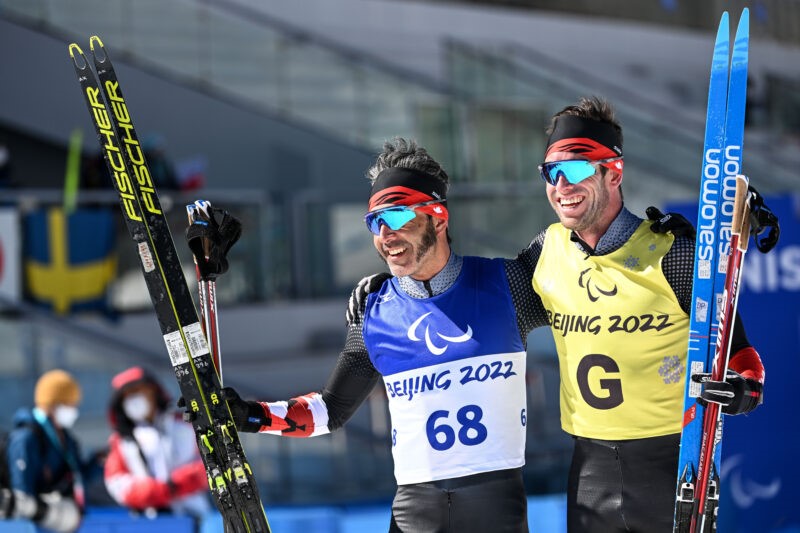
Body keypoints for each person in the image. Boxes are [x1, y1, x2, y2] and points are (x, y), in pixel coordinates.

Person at [217, 137, 550, 532]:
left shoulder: (507, 284)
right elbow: (330, 410)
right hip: (415, 511)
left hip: (493, 506)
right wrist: (251, 415)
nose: (385, 235)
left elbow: (575, 245)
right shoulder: (375, 313)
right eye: (376, 222)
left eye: (398, 217)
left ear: (439, 218)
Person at [528, 96, 765, 532]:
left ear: (613, 172)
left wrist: (745, 390)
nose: (561, 184)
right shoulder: (547, 253)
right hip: (589, 474)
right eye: (551, 171)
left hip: (670, 468)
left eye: (577, 168)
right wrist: (403, 282)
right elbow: (482, 299)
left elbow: (739, 350)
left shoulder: (671, 254)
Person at [104, 366, 210, 520]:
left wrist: (177, 485)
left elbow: (209, 464)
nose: (133, 399)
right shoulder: (121, 442)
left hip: (196, 518)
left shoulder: (186, 426)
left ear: (153, 391)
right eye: (127, 396)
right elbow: (115, 482)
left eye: (137, 391)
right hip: (150, 523)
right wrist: (151, 492)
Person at [3, 370, 94, 532]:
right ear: (53, 405)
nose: (73, 411)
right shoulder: (27, 439)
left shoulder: (67, 439)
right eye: (69, 404)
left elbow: (77, 476)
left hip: (61, 520)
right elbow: (22, 495)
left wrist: (97, 464)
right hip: (35, 525)